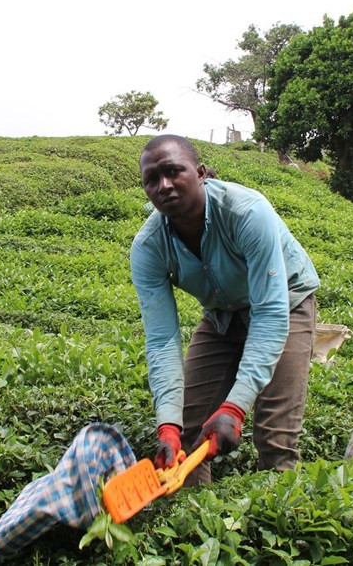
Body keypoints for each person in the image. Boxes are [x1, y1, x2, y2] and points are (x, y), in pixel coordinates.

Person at [130, 135, 320, 484]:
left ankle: (280, 522)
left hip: (285, 303)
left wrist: (234, 407)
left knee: (274, 436)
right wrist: (167, 423)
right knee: (187, 430)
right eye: (152, 180)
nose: (165, 186)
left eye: (174, 171)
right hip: (222, 314)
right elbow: (161, 341)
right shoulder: (148, 247)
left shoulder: (246, 211)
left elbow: (269, 311)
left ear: (200, 172)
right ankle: (193, 523)